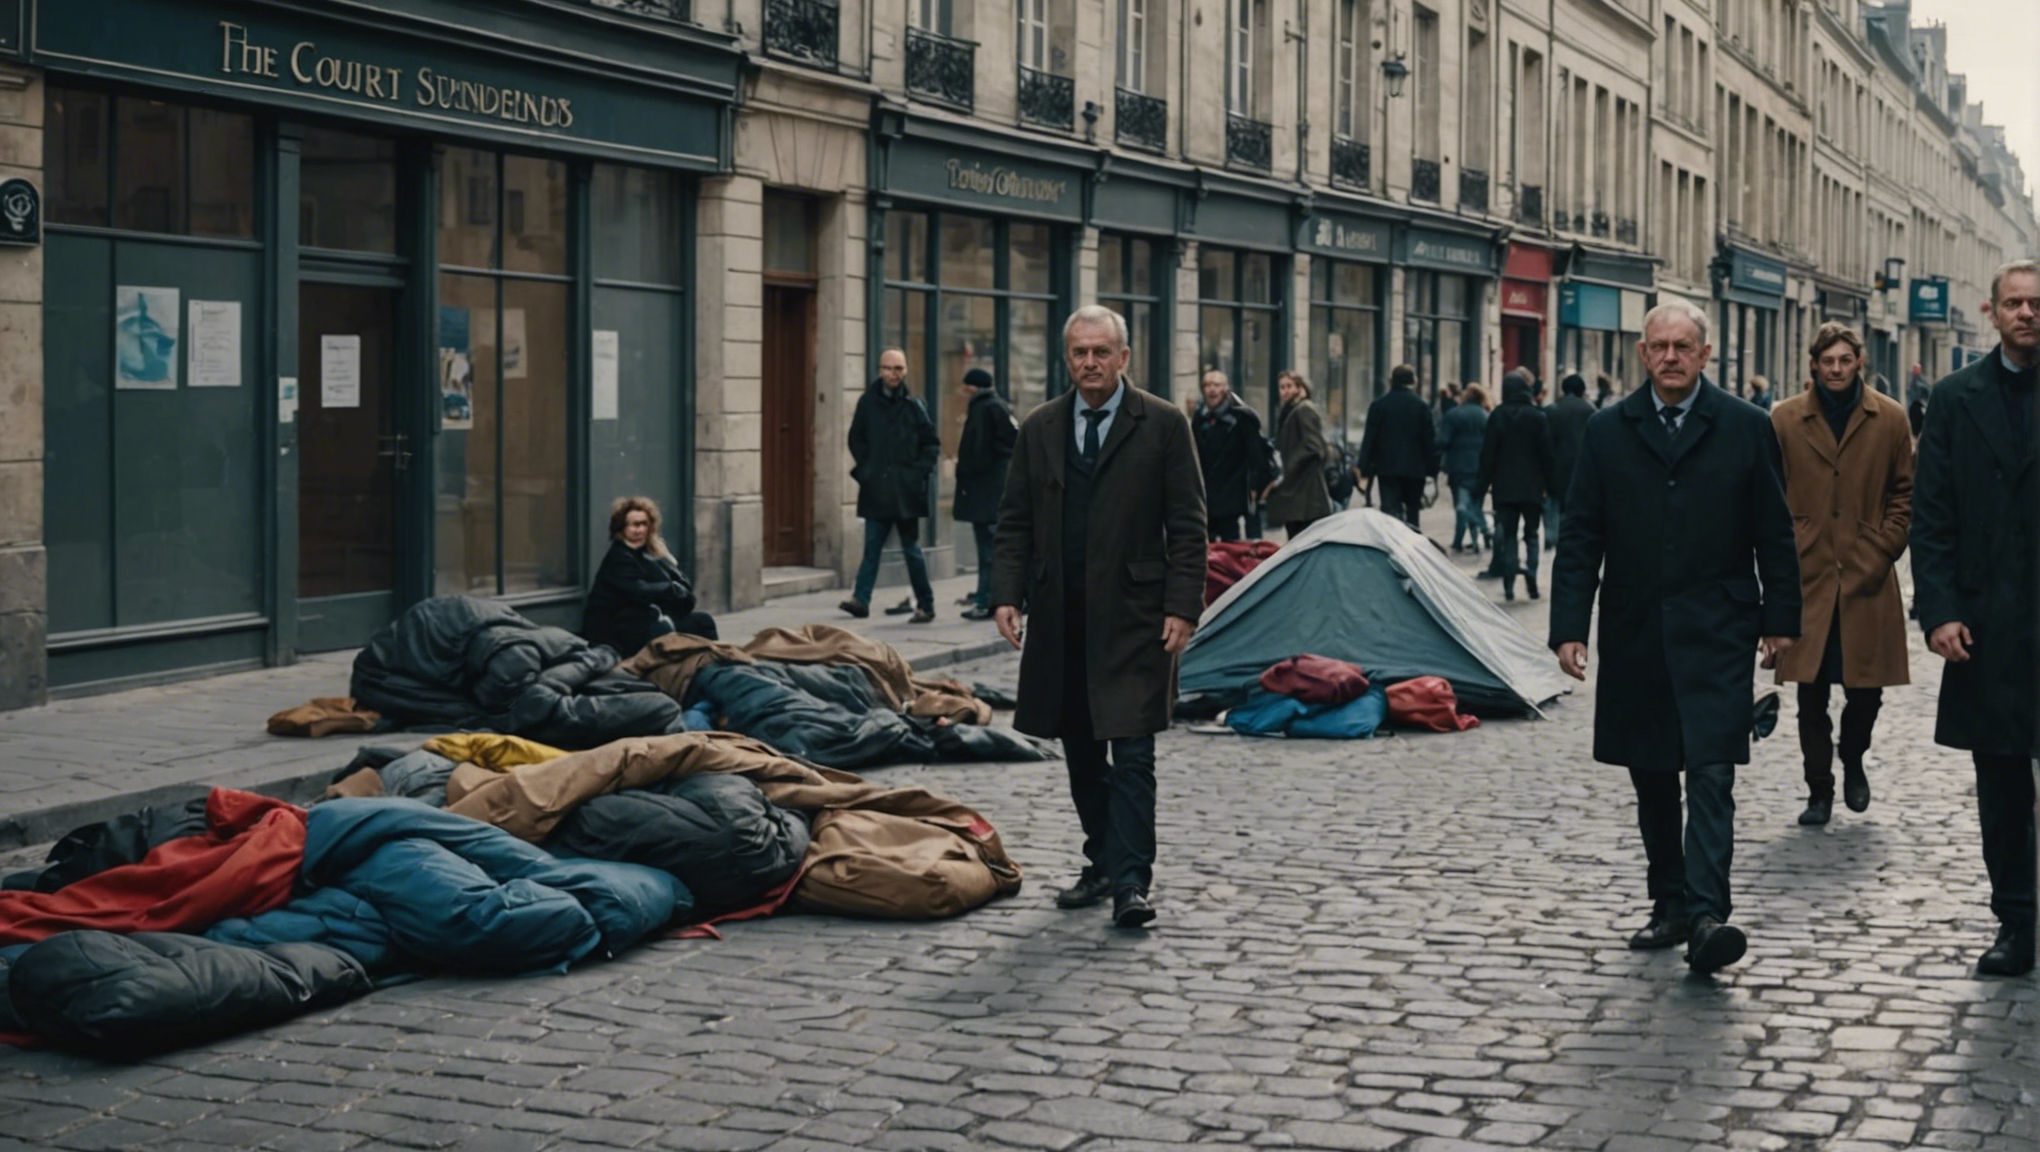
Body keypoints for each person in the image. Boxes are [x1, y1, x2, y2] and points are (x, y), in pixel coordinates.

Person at [1549, 296, 1799, 975]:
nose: (1670, 358)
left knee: (1713, 771)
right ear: (1641, 353)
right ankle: (1668, 902)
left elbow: (1774, 531)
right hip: (1636, 630)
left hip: (1719, 627)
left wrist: (1780, 621)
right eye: (1658, 347)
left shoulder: (1747, 428)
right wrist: (1569, 627)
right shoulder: (1607, 431)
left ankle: (1707, 913)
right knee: (1654, 775)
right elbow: (1581, 535)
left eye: (1682, 347)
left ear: (1706, 354)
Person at [990, 305, 1206, 930]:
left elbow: (1189, 528)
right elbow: (1015, 521)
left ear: (1124, 358)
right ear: (1068, 359)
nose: (1090, 363)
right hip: (1063, 619)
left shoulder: (1163, 425)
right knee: (1081, 751)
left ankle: (1132, 882)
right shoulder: (1041, 427)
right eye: (1079, 353)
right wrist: (1007, 594)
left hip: (1138, 618)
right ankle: (1103, 860)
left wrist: (1182, 606)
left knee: (1133, 753)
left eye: (1101, 352)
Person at [1909, 258, 2039, 977]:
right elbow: (1932, 519)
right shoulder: (1958, 399)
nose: (2026, 314)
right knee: (2002, 785)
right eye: (2014, 304)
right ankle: (2016, 922)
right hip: (1989, 626)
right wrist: (1940, 611)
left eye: (2036, 304)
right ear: (1991, 313)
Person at [1770, 323, 1914, 828]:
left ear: (1859, 364)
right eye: (1827, 361)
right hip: (1806, 576)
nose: (1835, 369)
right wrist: (1788, 545)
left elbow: (1905, 493)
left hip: (1866, 574)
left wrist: (1881, 547)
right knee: (1810, 692)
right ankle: (1819, 790)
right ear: (1813, 365)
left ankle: (1852, 757)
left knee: (1865, 691)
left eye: (1844, 361)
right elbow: (1767, 495)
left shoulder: (1890, 419)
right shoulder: (1784, 419)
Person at [841, 347, 941, 623]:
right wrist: (868, 470)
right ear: (880, 370)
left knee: (912, 550)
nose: (894, 374)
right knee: (871, 548)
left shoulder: (913, 404)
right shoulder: (867, 402)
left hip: (906, 492)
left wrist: (918, 473)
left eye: (899, 369)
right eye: (889, 368)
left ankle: (926, 604)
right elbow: (855, 439)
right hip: (877, 489)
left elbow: (931, 443)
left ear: (905, 371)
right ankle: (860, 600)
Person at [581, 496, 718, 656]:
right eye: (634, 525)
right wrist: (672, 589)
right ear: (622, 527)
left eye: (644, 524)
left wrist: (669, 563)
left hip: (646, 621)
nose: (640, 530)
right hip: (617, 631)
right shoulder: (619, 556)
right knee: (693, 625)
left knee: (701, 621)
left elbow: (683, 588)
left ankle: (713, 662)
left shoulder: (650, 553)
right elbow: (640, 591)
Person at [1475, 368, 1557, 602]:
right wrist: (1552, 487)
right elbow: (1547, 455)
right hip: (1532, 488)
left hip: (1505, 488)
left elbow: (1488, 455)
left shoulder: (1498, 416)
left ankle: (1509, 583)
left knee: (1509, 535)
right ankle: (1531, 576)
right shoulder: (1538, 416)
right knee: (1531, 535)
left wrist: (1481, 488)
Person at [953, 367, 1017, 622]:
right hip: (987, 489)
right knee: (988, 548)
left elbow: (1008, 440)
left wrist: (981, 467)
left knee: (988, 550)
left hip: (987, 491)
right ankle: (986, 596)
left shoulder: (988, 407)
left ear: (972, 387)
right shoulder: (993, 407)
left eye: (966, 386)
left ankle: (985, 600)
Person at [1192, 369, 1274, 542]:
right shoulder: (1199, 418)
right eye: (1207, 385)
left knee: (1232, 545)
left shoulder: (1241, 417)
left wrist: (1254, 488)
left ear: (1225, 388)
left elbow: (1256, 456)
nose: (1211, 389)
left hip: (1233, 493)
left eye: (1216, 385)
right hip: (1207, 496)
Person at [1357, 364, 1438, 532]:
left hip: (1387, 468)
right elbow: (1429, 441)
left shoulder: (1379, 405)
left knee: (1389, 512)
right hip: (1415, 469)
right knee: (1413, 512)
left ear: (1391, 381)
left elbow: (1369, 439)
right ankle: (1412, 546)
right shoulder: (1421, 406)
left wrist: (1363, 468)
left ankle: (1392, 544)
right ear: (1414, 381)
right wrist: (1432, 471)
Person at [1264, 370, 1334, 538]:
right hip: (1298, 493)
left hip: (1306, 493)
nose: (1285, 391)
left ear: (1299, 388)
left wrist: (1286, 469)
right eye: (1281, 387)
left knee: (1302, 541)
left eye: (1289, 386)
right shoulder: (1291, 410)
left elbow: (1313, 446)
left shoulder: (1303, 410)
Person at [1546, 372, 1596, 553]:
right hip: (1581, 466)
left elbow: (1546, 442)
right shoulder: (1590, 410)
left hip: (1555, 465)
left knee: (1553, 503)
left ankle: (1551, 536)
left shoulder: (1551, 409)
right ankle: (1569, 538)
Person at [1438, 383, 1491, 554]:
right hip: (1480, 467)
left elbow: (1442, 441)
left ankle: (1462, 539)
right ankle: (1476, 539)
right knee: (1476, 504)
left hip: (1458, 466)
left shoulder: (1454, 415)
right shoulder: (1485, 416)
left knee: (1461, 505)